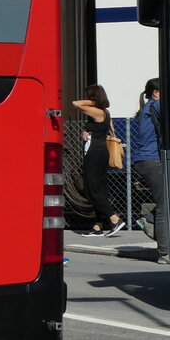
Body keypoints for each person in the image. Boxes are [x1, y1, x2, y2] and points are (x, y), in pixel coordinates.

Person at [73, 84, 125, 236]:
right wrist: (85, 130)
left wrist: (93, 102)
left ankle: (114, 219)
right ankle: (98, 226)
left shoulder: (96, 110)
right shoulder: (104, 112)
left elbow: (75, 104)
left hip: (94, 153)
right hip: (101, 151)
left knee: (91, 190)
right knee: (100, 189)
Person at [131, 78, 170, 264]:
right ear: (156, 92)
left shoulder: (147, 108)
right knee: (164, 207)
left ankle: (149, 219)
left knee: (168, 200)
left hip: (145, 160)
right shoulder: (157, 105)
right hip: (152, 160)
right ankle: (164, 253)